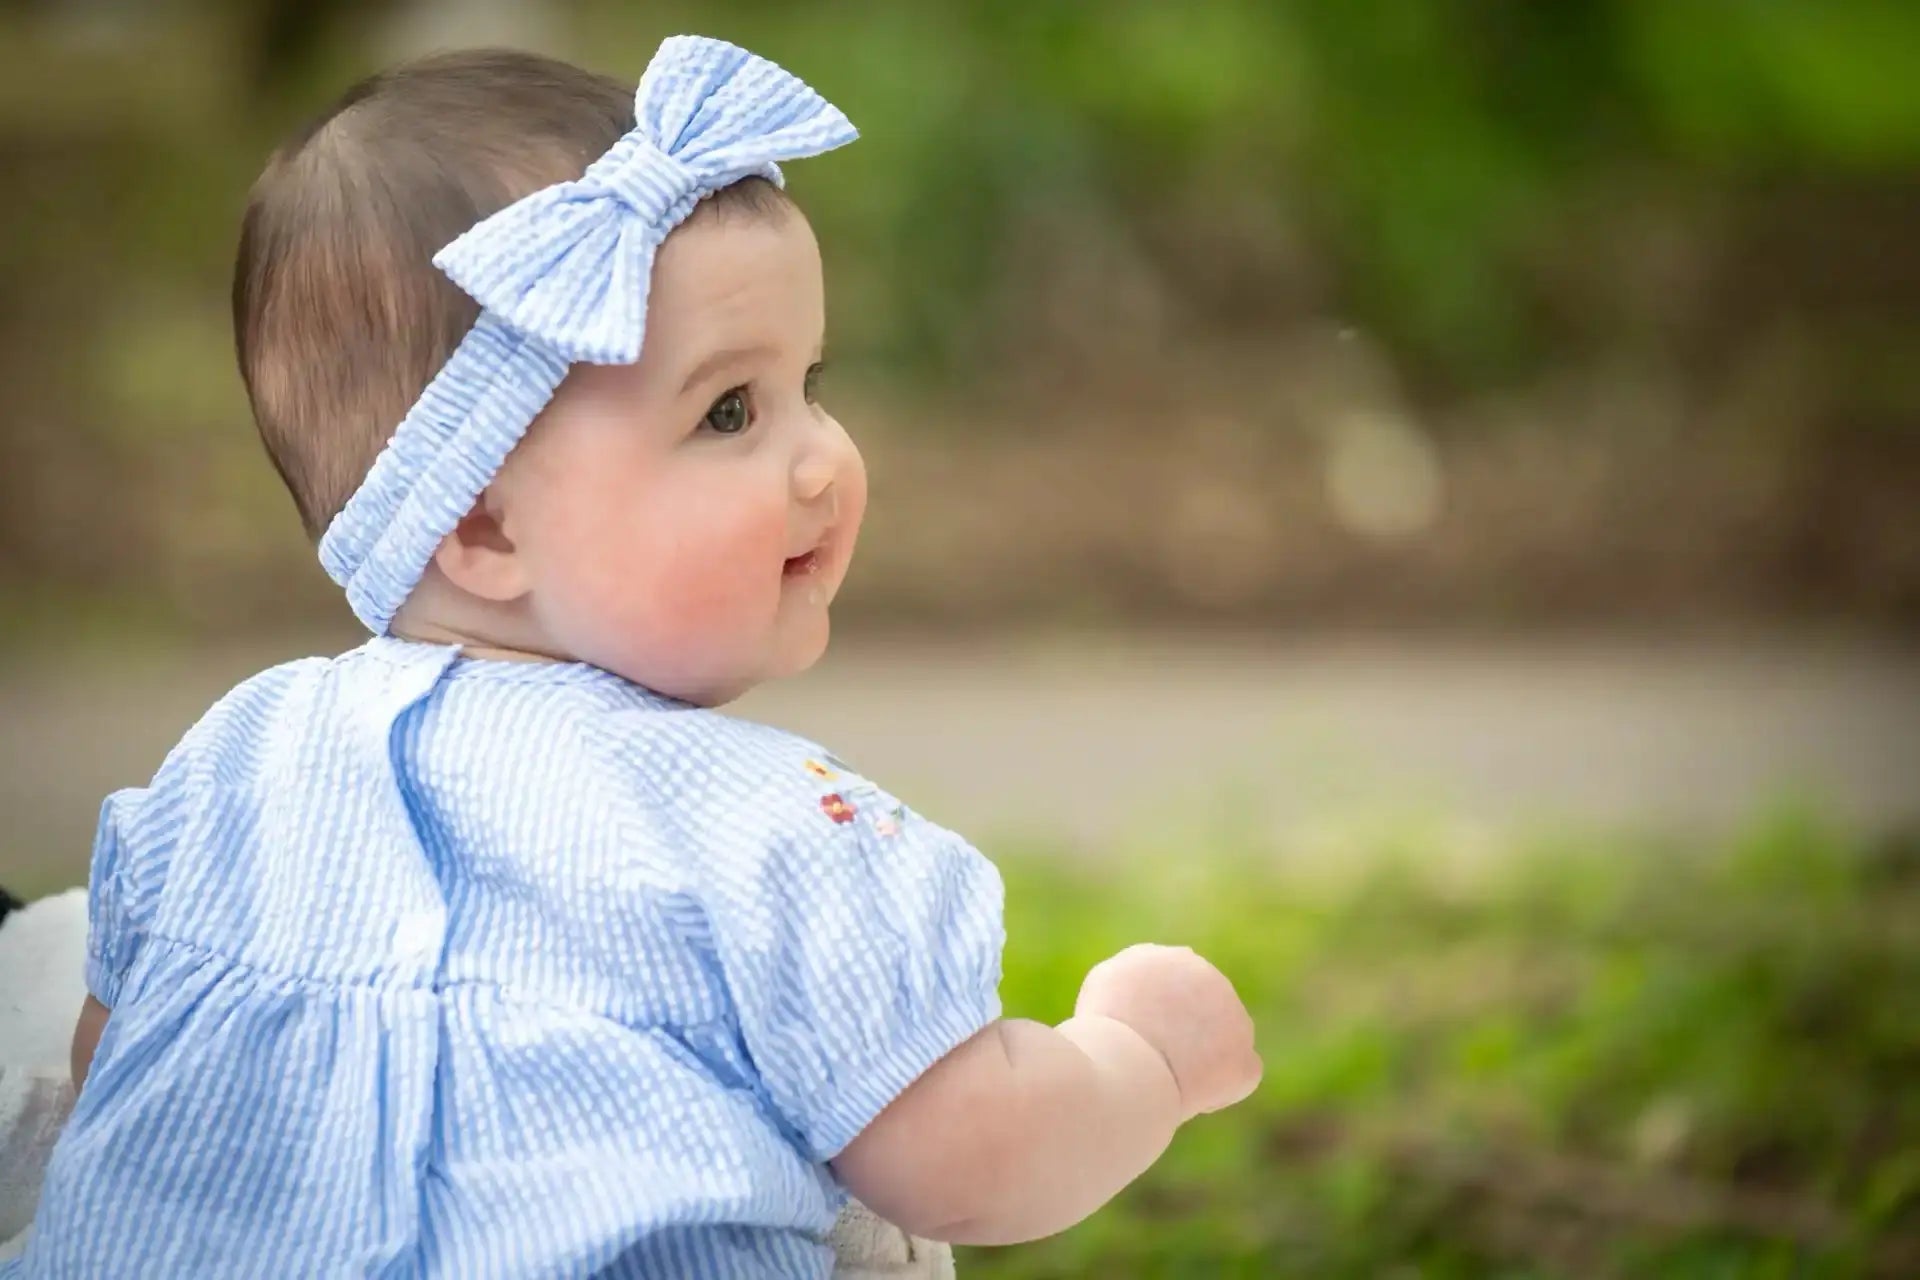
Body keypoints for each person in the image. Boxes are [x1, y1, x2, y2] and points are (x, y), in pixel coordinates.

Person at [4, 35, 1261, 1278]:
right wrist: (1137, 1059)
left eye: (807, 383)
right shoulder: (768, 829)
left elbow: (115, 1067)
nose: (825, 456)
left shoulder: (227, 760)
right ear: (482, 524)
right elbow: (977, 1154)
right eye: (730, 409)